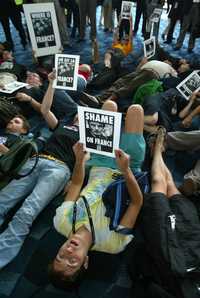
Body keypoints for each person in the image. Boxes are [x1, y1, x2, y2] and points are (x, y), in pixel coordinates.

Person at [48, 103, 145, 287]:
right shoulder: (112, 244)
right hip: (127, 168)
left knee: (109, 106)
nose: (68, 252)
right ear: (85, 262)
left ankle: (120, 130)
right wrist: (125, 170)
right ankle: (129, 130)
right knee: (135, 110)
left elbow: (76, 184)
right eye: (72, 262)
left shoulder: (61, 222)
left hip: (99, 161)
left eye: (60, 257)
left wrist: (79, 161)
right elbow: (136, 203)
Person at [0, 71, 79, 269]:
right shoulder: (63, 125)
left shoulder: (91, 138)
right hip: (36, 161)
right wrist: (51, 82)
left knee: (26, 212)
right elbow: (45, 110)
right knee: (3, 199)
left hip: (59, 170)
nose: (80, 114)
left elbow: (87, 163)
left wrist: (74, 180)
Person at [140, 127, 200, 297]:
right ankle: (158, 153)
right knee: (171, 185)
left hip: (167, 251)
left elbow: (151, 288)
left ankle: (157, 150)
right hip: (193, 243)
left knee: (159, 181)